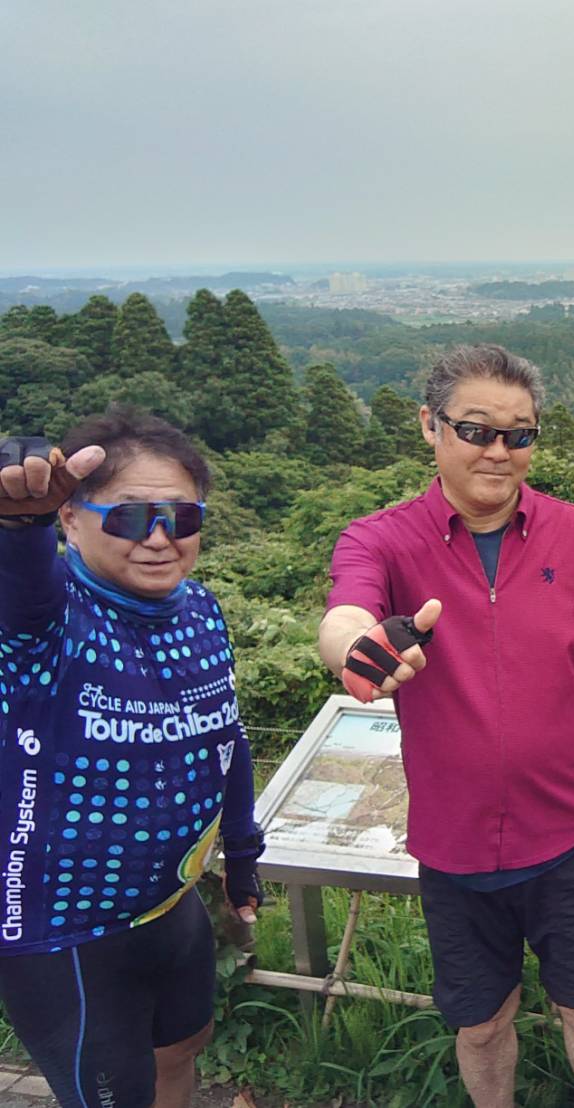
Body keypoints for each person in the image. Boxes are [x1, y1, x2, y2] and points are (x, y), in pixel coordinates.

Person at [317, 344, 574, 1108]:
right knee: (479, 1024)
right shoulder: (382, 538)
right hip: (455, 846)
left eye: (518, 434)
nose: (498, 451)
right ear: (429, 426)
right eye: (475, 430)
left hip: (570, 835)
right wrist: (358, 649)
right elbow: (346, 613)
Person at [0, 409, 261, 1108]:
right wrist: (19, 527)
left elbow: (226, 739)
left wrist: (243, 854)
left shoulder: (199, 609)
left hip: (169, 905)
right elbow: (23, 588)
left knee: (182, 1052)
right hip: (65, 928)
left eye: (181, 516)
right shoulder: (45, 621)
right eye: (130, 516)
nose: (159, 537)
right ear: (70, 518)